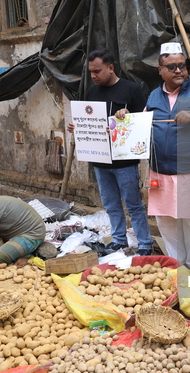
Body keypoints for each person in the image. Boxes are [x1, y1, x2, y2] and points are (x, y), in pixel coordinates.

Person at [118, 42, 190, 272]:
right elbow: (140, 128)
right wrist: (124, 118)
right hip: (160, 170)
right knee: (167, 221)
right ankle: (178, 267)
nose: (179, 71)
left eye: (182, 66)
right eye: (172, 66)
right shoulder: (154, 97)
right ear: (160, 70)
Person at [67, 48, 153, 255]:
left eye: (97, 71)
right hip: (100, 161)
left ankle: (145, 243)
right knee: (111, 205)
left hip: (125, 162)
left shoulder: (131, 90)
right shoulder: (91, 93)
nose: (93, 76)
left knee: (134, 204)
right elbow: (90, 122)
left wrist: (123, 121)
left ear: (111, 68)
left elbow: (143, 123)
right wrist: (77, 127)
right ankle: (119, 240)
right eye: (91, 72)